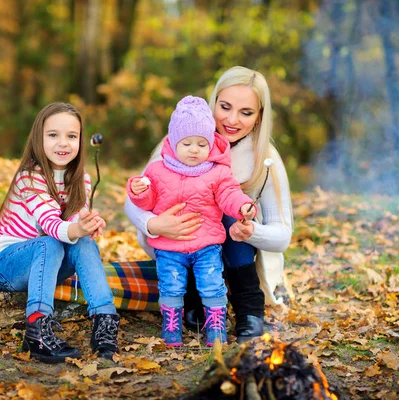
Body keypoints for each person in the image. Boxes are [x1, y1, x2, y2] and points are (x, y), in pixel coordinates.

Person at [124, 66, 293, 344]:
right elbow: (134, 199)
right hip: (181, 248)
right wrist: (152, 223)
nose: (232, 119)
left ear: (259, 116)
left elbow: (283, 235)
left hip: (237, 257)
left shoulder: (266, 158)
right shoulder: (180, 143)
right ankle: (191, 300)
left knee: (228, 214)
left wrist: (252, 231)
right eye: (224, 107)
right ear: (212, 102)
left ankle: (248, 310)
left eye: (246, 112)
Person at [0, 102, 120, 363]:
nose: (63, 143)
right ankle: (37, 329)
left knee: (84, 242)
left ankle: (105, 322)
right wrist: (76, 228)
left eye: (71, 136)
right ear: (39, 138)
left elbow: (76, 221)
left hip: (48, 265)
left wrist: (87, 224)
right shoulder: (29, 177)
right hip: (9, 263)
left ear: (81, 140)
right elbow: (50, 225)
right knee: (50, 243)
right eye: (53, 135)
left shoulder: (82, 179)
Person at [126, 96, 256, 347]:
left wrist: (242, 205)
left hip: (207, 245)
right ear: (174, 142)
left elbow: (229, 193)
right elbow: (147, 202)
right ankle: (171, 325)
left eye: (201, 143)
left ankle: (216, 326)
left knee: (212, 285)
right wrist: (140, 191)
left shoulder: (218, 171)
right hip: (168, 247)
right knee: (171, 286)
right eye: (187, 143)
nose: (194, 149)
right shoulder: (157, 170)